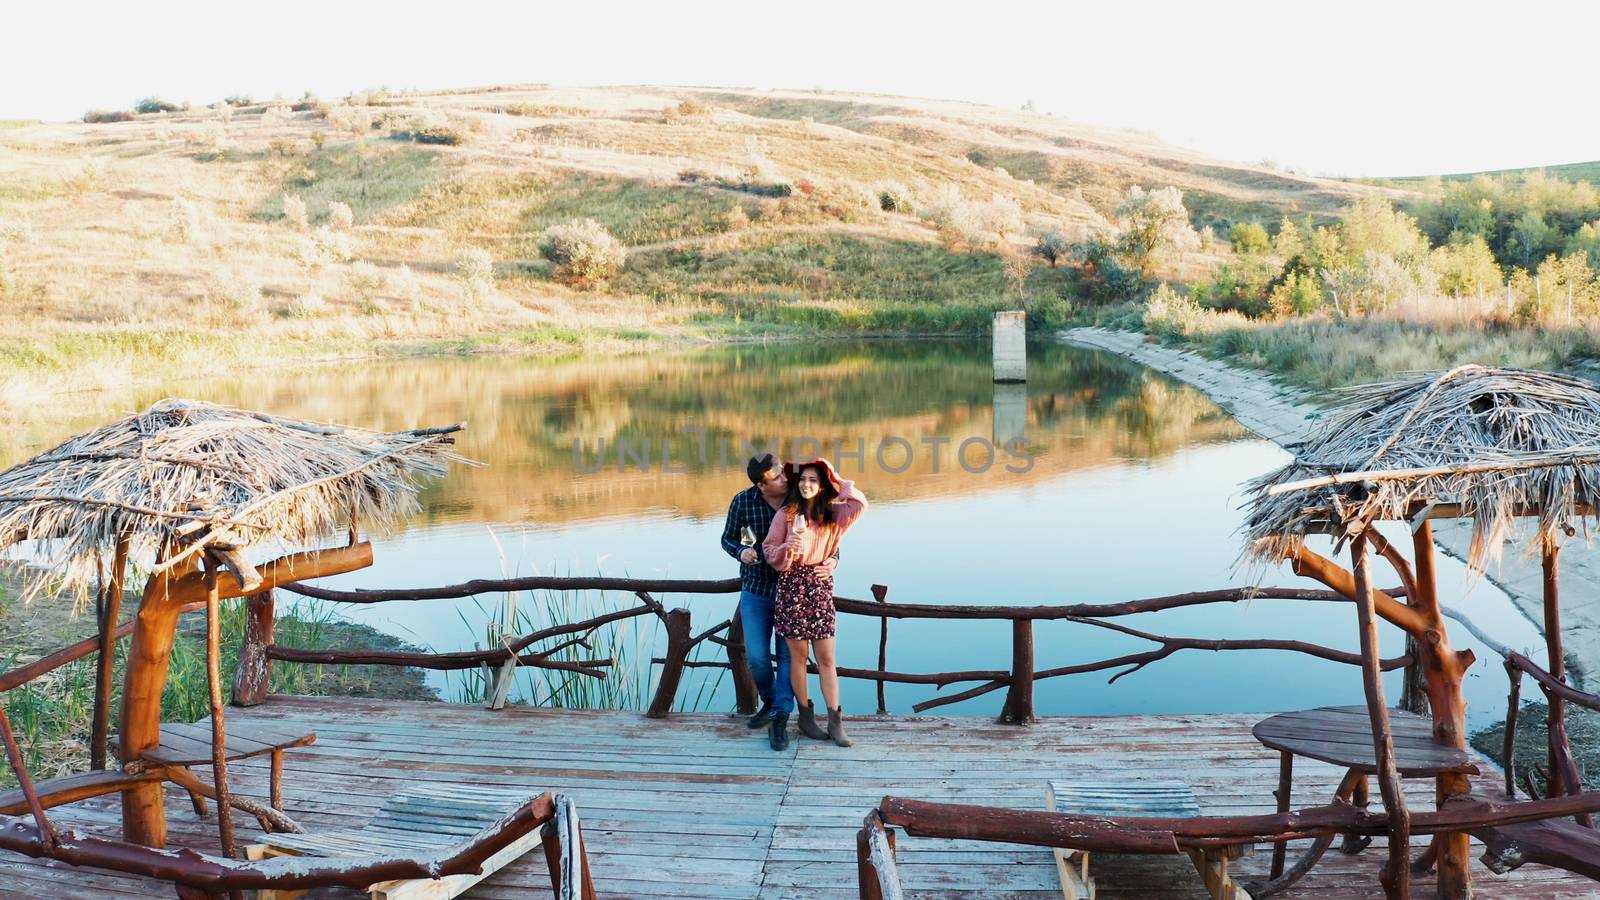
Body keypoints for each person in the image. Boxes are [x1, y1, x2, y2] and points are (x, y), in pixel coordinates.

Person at [719, 454, 836, 751]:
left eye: (785, 473)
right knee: (757, 656)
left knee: (788, 657)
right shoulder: (743, 502)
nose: (785, 478)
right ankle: (771, 701)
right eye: (778, 477)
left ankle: (782, 715)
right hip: (756, 589)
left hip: (793, 594)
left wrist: (833, 560)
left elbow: (830, 537)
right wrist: (740, 553)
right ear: (762, 484)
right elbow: (728, 538)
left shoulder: (801, 497)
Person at [763, 457, 868, 747]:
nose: (807, 484)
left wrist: (834, 476)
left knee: (827, 658)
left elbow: (860, 503)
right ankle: (807, 719)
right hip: (792, 587)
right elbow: (769, 550)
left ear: (822, 485)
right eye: (803, 479)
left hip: (819, 587)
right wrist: (787, 547)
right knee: (798, 658)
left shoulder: (834, 514)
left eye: (814, 479)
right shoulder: (786, 514)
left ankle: (836, 723)